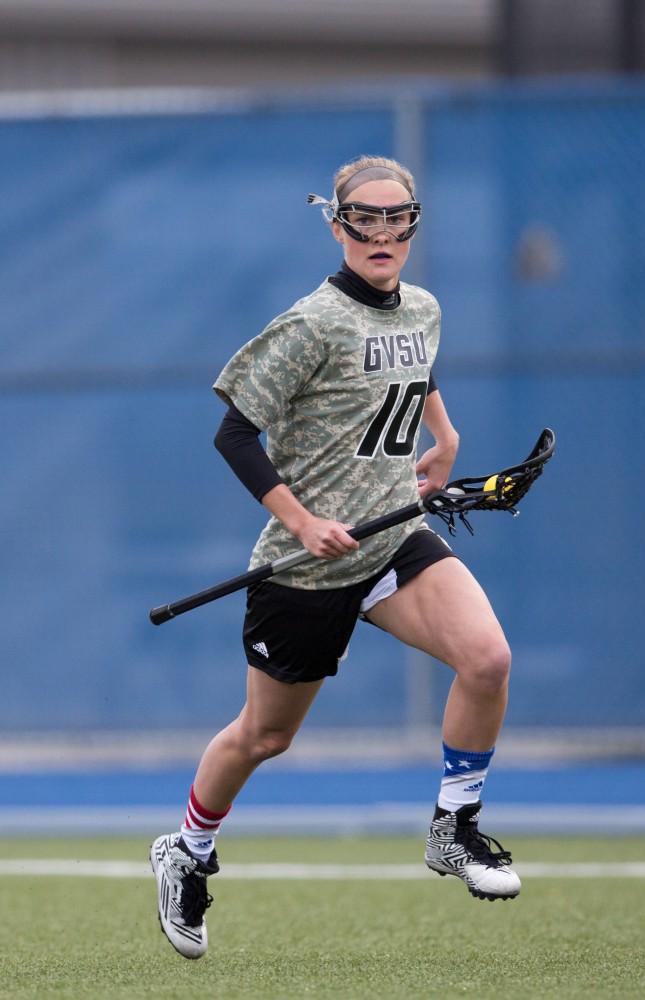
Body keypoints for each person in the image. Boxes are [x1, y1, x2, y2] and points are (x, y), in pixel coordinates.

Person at [150, 155, 520, 960]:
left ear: (414, 223)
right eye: (366, 219)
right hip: (306, 566)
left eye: (397, 218)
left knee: (487, 659)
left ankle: (453, 829)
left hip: (393, 541)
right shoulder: (310, 323)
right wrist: (302, 519)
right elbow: (235, 432)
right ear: (338, 223)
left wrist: (444, 431)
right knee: (263, 738)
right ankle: (187, 850)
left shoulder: (422, 306)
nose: (383, 233)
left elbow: (411, 362)